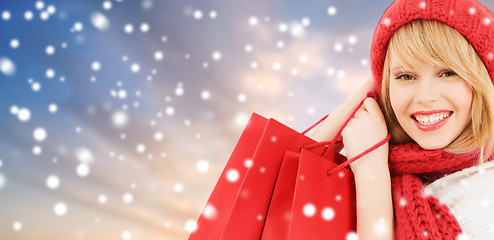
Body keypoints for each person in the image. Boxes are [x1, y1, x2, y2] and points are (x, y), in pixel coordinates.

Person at [310, 0, 494, 239]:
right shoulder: (378, 158)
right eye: (406, 76)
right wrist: (367, 93)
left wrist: (371, 174)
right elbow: (281, 183)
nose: (426, 97)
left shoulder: (484, 194)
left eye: (448, 73)